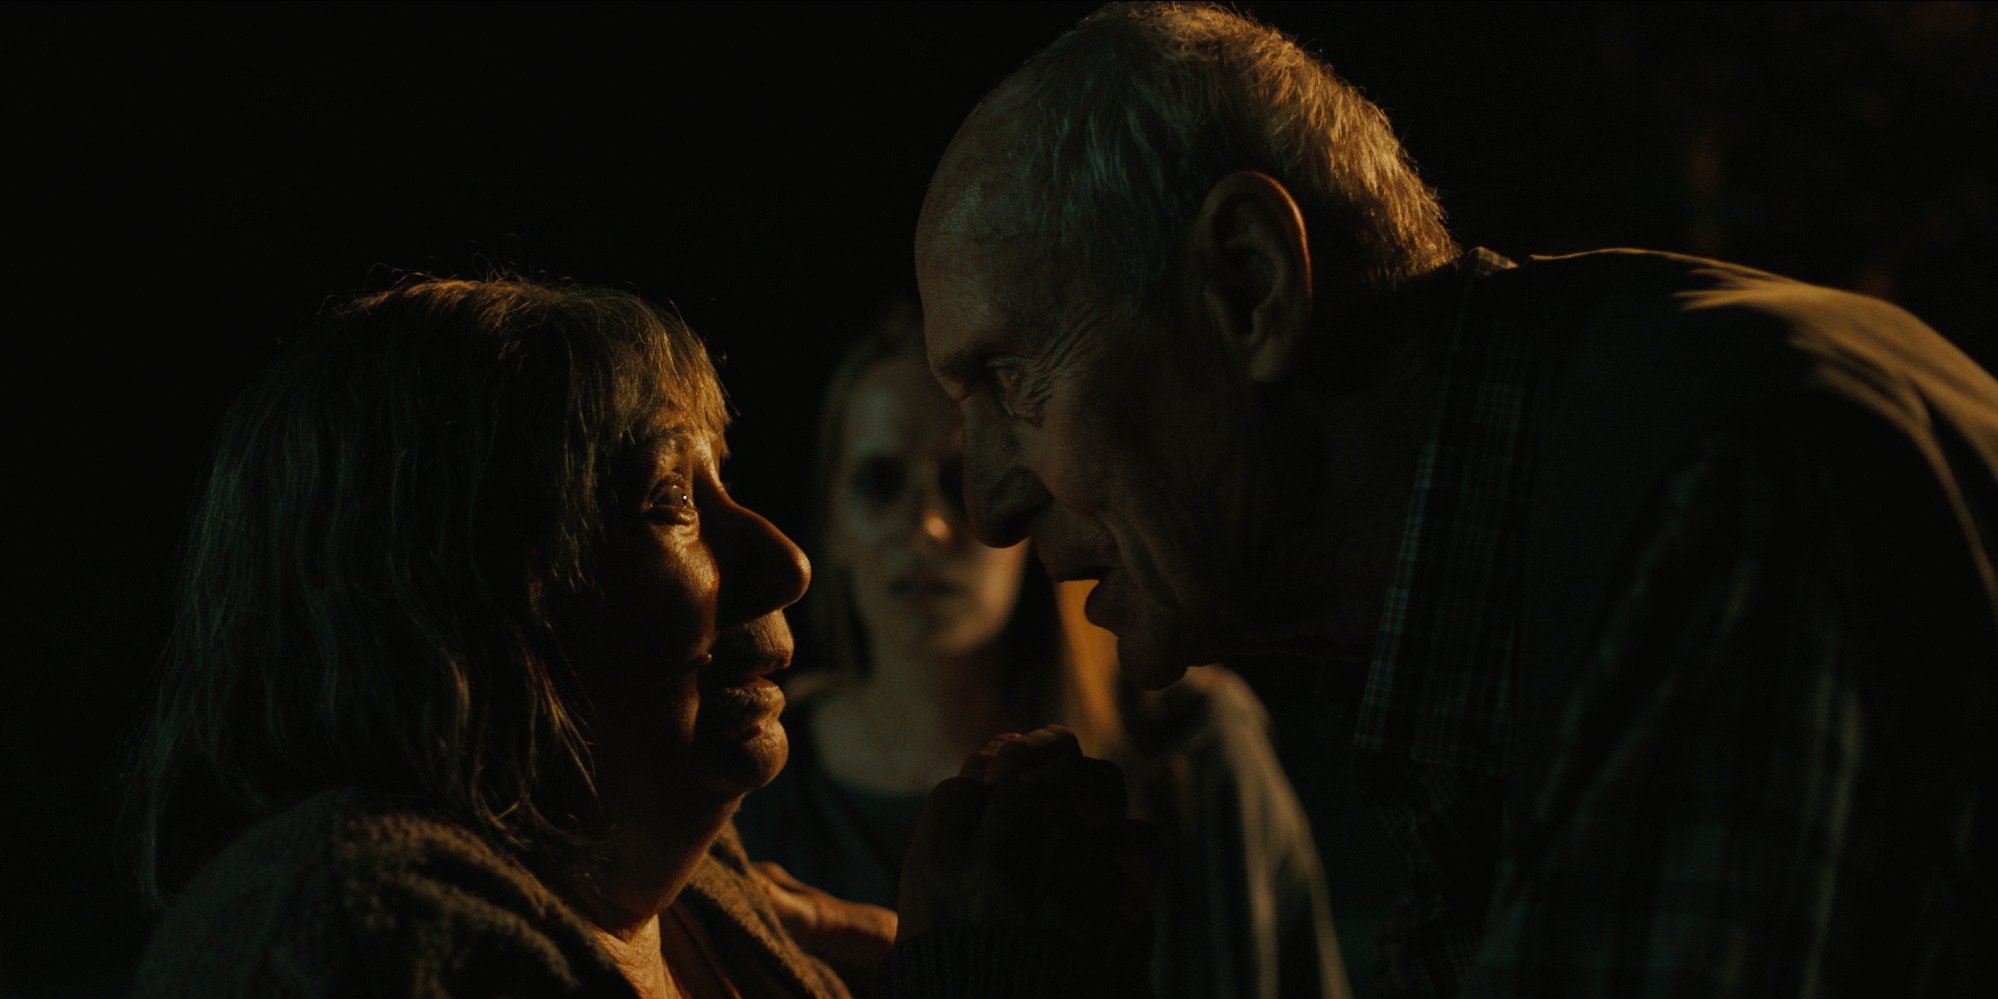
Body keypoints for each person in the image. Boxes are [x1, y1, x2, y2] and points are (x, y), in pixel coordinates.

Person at [913, 4, 1996, 998]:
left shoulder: (1716, 499)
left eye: (1013, 383)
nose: (989, 504)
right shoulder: (1578, 489)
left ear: (1248, 284)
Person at [123, 277, 1138, 998]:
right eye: (668, 502)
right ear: (447, 593)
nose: (784, 562)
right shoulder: (350, 936)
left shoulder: (685, 885)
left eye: (721, 484)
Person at [734, 305, 1347, 999]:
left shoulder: (1188, 747)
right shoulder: (759, 780)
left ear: (1022, 501)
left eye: (963, 481)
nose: (927, 526)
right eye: (880, 482)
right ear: (832, 524)